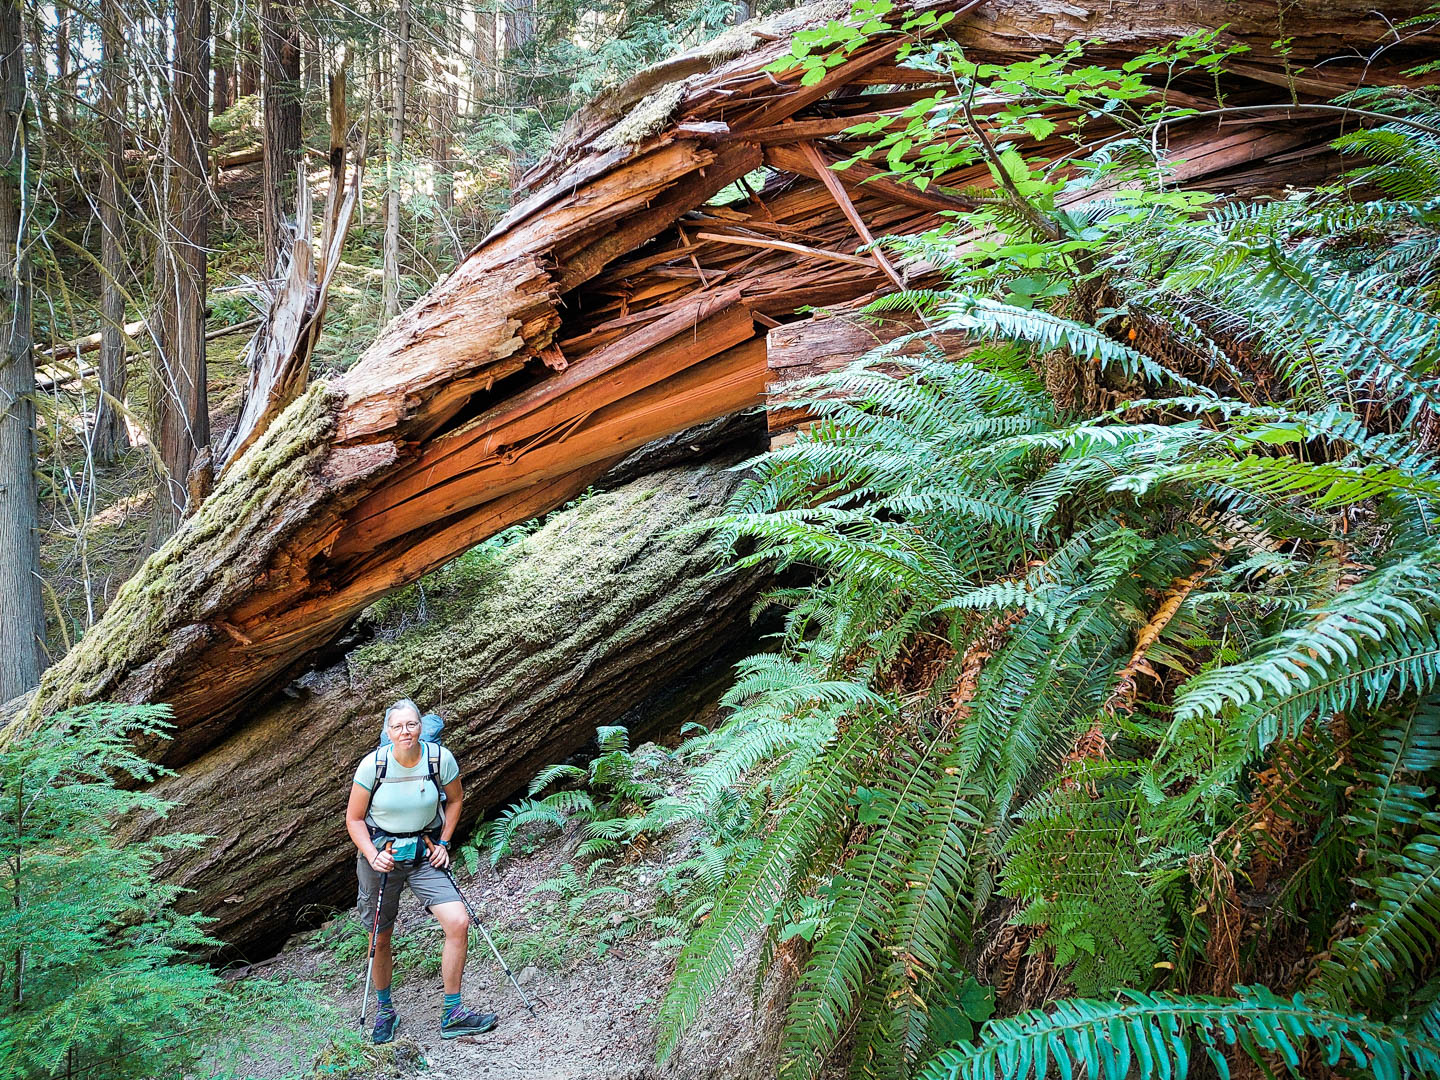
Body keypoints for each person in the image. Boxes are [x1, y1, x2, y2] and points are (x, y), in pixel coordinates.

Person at [346, 698, 498, 1044]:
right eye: (398, 726)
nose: (405, 732)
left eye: (411, 725)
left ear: (420, 727)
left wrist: (444, 843)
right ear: (387, 732)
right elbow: (353, 819)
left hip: (424, 853)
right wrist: (371, 855)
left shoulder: (438, 758)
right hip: (381, 856)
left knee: (458, 921)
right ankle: (385, 1011)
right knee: (379, 937)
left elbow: (455, 800)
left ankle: (453, 1012)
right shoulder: (374, 766)